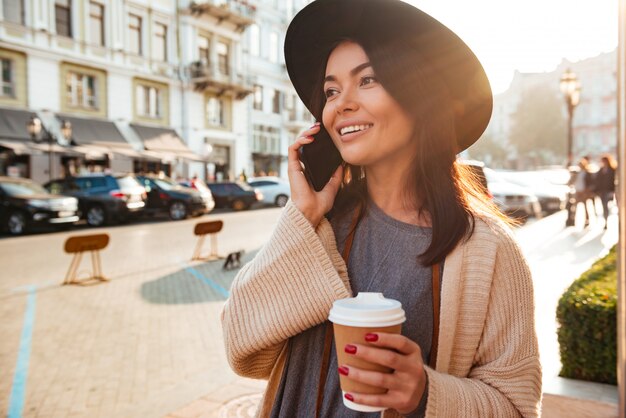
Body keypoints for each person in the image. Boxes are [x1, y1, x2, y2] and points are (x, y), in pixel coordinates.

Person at [221, 1, 541, 417]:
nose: (341, 104)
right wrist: (302, 215)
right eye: (332, 90)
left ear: (419, 95)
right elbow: (241, 347)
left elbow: (515, 406)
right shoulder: (318, 224)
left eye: (367, 79)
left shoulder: (487, 250)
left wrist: (425, 393)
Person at [595, 154, 617, 229]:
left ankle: (607, 218)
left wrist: (612, 191)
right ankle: (606, 221)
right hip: (602, 191)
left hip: (609, 191)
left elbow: (613, 181)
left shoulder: (612, 170)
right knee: (604, 206)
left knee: (608, 206)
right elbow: (597, 180)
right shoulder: (601, 170)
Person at [572, 157, 594, 227]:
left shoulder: (587, 173)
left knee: (585, 207)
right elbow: (573, 181)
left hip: (584, 191)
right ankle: (573, 219)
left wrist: (587, 190)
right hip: (577, 191)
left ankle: (587, 220)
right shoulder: (577, 173)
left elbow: (590, 183)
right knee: (575, 206)